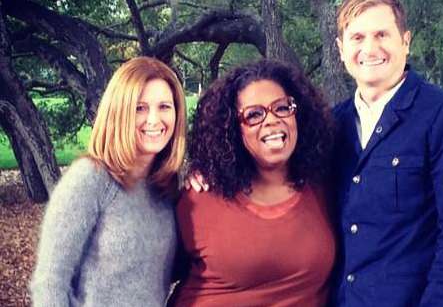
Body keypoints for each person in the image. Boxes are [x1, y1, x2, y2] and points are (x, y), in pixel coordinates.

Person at [330, 0, 443, 306]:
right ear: (341, 48)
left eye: (382, 34)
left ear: (405, 41)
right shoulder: (332, 125)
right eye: (357, 37)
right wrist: (204, 177)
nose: (370, 48)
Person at [172, 59, 336, 306]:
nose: (271, 121)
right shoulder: (200, 196)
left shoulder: (325, 188)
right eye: (254, 115)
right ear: (231, 129)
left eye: (282, 108)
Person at [30, 56, 187, 306]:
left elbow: (165, 271)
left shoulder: (166, 185)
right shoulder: (90, 178)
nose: (154, 120)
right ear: (119, 112)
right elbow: (49, 283)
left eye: (165, 107)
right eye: (140, 108)